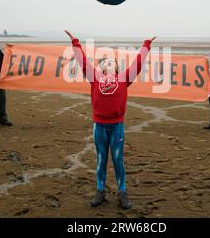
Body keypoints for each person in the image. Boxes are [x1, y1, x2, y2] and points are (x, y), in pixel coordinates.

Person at [64, 30, 155, 210]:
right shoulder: (95, 77)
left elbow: (137, 63)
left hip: (116, 127)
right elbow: (83, 61)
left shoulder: (124, 78)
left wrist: (146, 45)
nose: (110, 63)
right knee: (101, 160)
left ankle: (122, 193)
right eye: (107, 62)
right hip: (99, 127)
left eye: (113, 62)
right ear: (103, 68)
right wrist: (75, 42)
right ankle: (100, 191)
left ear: (116, 68)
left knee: (118, 160)